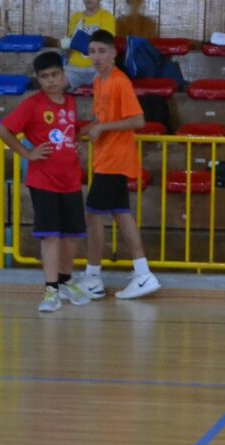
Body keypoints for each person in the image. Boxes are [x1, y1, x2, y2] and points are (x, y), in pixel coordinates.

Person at [0, 51, 93, 312]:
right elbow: (3, 130)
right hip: (44, 181)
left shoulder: (70, 102)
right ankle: (51, 289)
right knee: (50, 235)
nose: (50, 81)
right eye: (44, 77)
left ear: (63, 74)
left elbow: (68, 133)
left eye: (54, 75)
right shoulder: (32, 104)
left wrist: (76, 143)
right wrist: (27, 153)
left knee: (72, 236)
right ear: (38, 79)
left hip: (71, 179)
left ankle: (65, 280)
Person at [74, 29, 160, 300]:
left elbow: (138, 120)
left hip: (114, 160)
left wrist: (104, 128)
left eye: (102, 51)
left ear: (113, 53)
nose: (96, 57)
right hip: (106, 159)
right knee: (122, 214)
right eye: (92, 52)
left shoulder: (120, 82)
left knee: (92, 216)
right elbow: (101, 119)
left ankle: (93, 277)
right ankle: (142, 273)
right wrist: (81, 132)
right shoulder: (99, 81)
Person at [64, 0, 115, 91]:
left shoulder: (106, 16)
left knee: (107, 87)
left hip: (99, 68)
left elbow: (104, 41)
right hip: (74, 68)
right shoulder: (75, 17)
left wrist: (76, 42)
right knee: (57, 84)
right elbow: (70, 42)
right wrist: (66, 48)